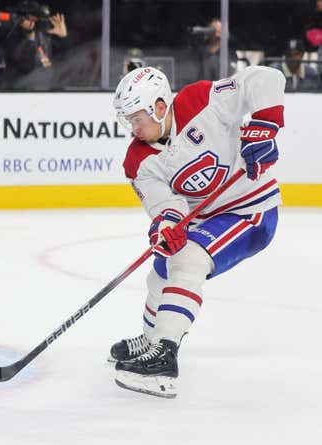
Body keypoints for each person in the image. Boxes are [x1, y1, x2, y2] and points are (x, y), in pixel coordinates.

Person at [110, 65, 285, 398]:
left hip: (251, 211)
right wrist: (165, 224)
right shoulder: (138, 160)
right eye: (128, 120)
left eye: (136, 118)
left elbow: (265, 78)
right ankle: (149, 341)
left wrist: (265, 124)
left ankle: (164, 357)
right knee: (162, 268)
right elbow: (165, 204)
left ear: (159, 107)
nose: (132, 128)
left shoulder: (200, 100)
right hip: (206, 220)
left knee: (188, 259)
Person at [1, 0, 68, 89]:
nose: (36, 20)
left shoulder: (43, 35)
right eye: (33, 17)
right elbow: (25, 66)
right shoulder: (12, 36)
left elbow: (67, 60)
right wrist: (29, 36)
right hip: (22, 91)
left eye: (38, 17)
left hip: (45, 89)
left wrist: (63, 36)